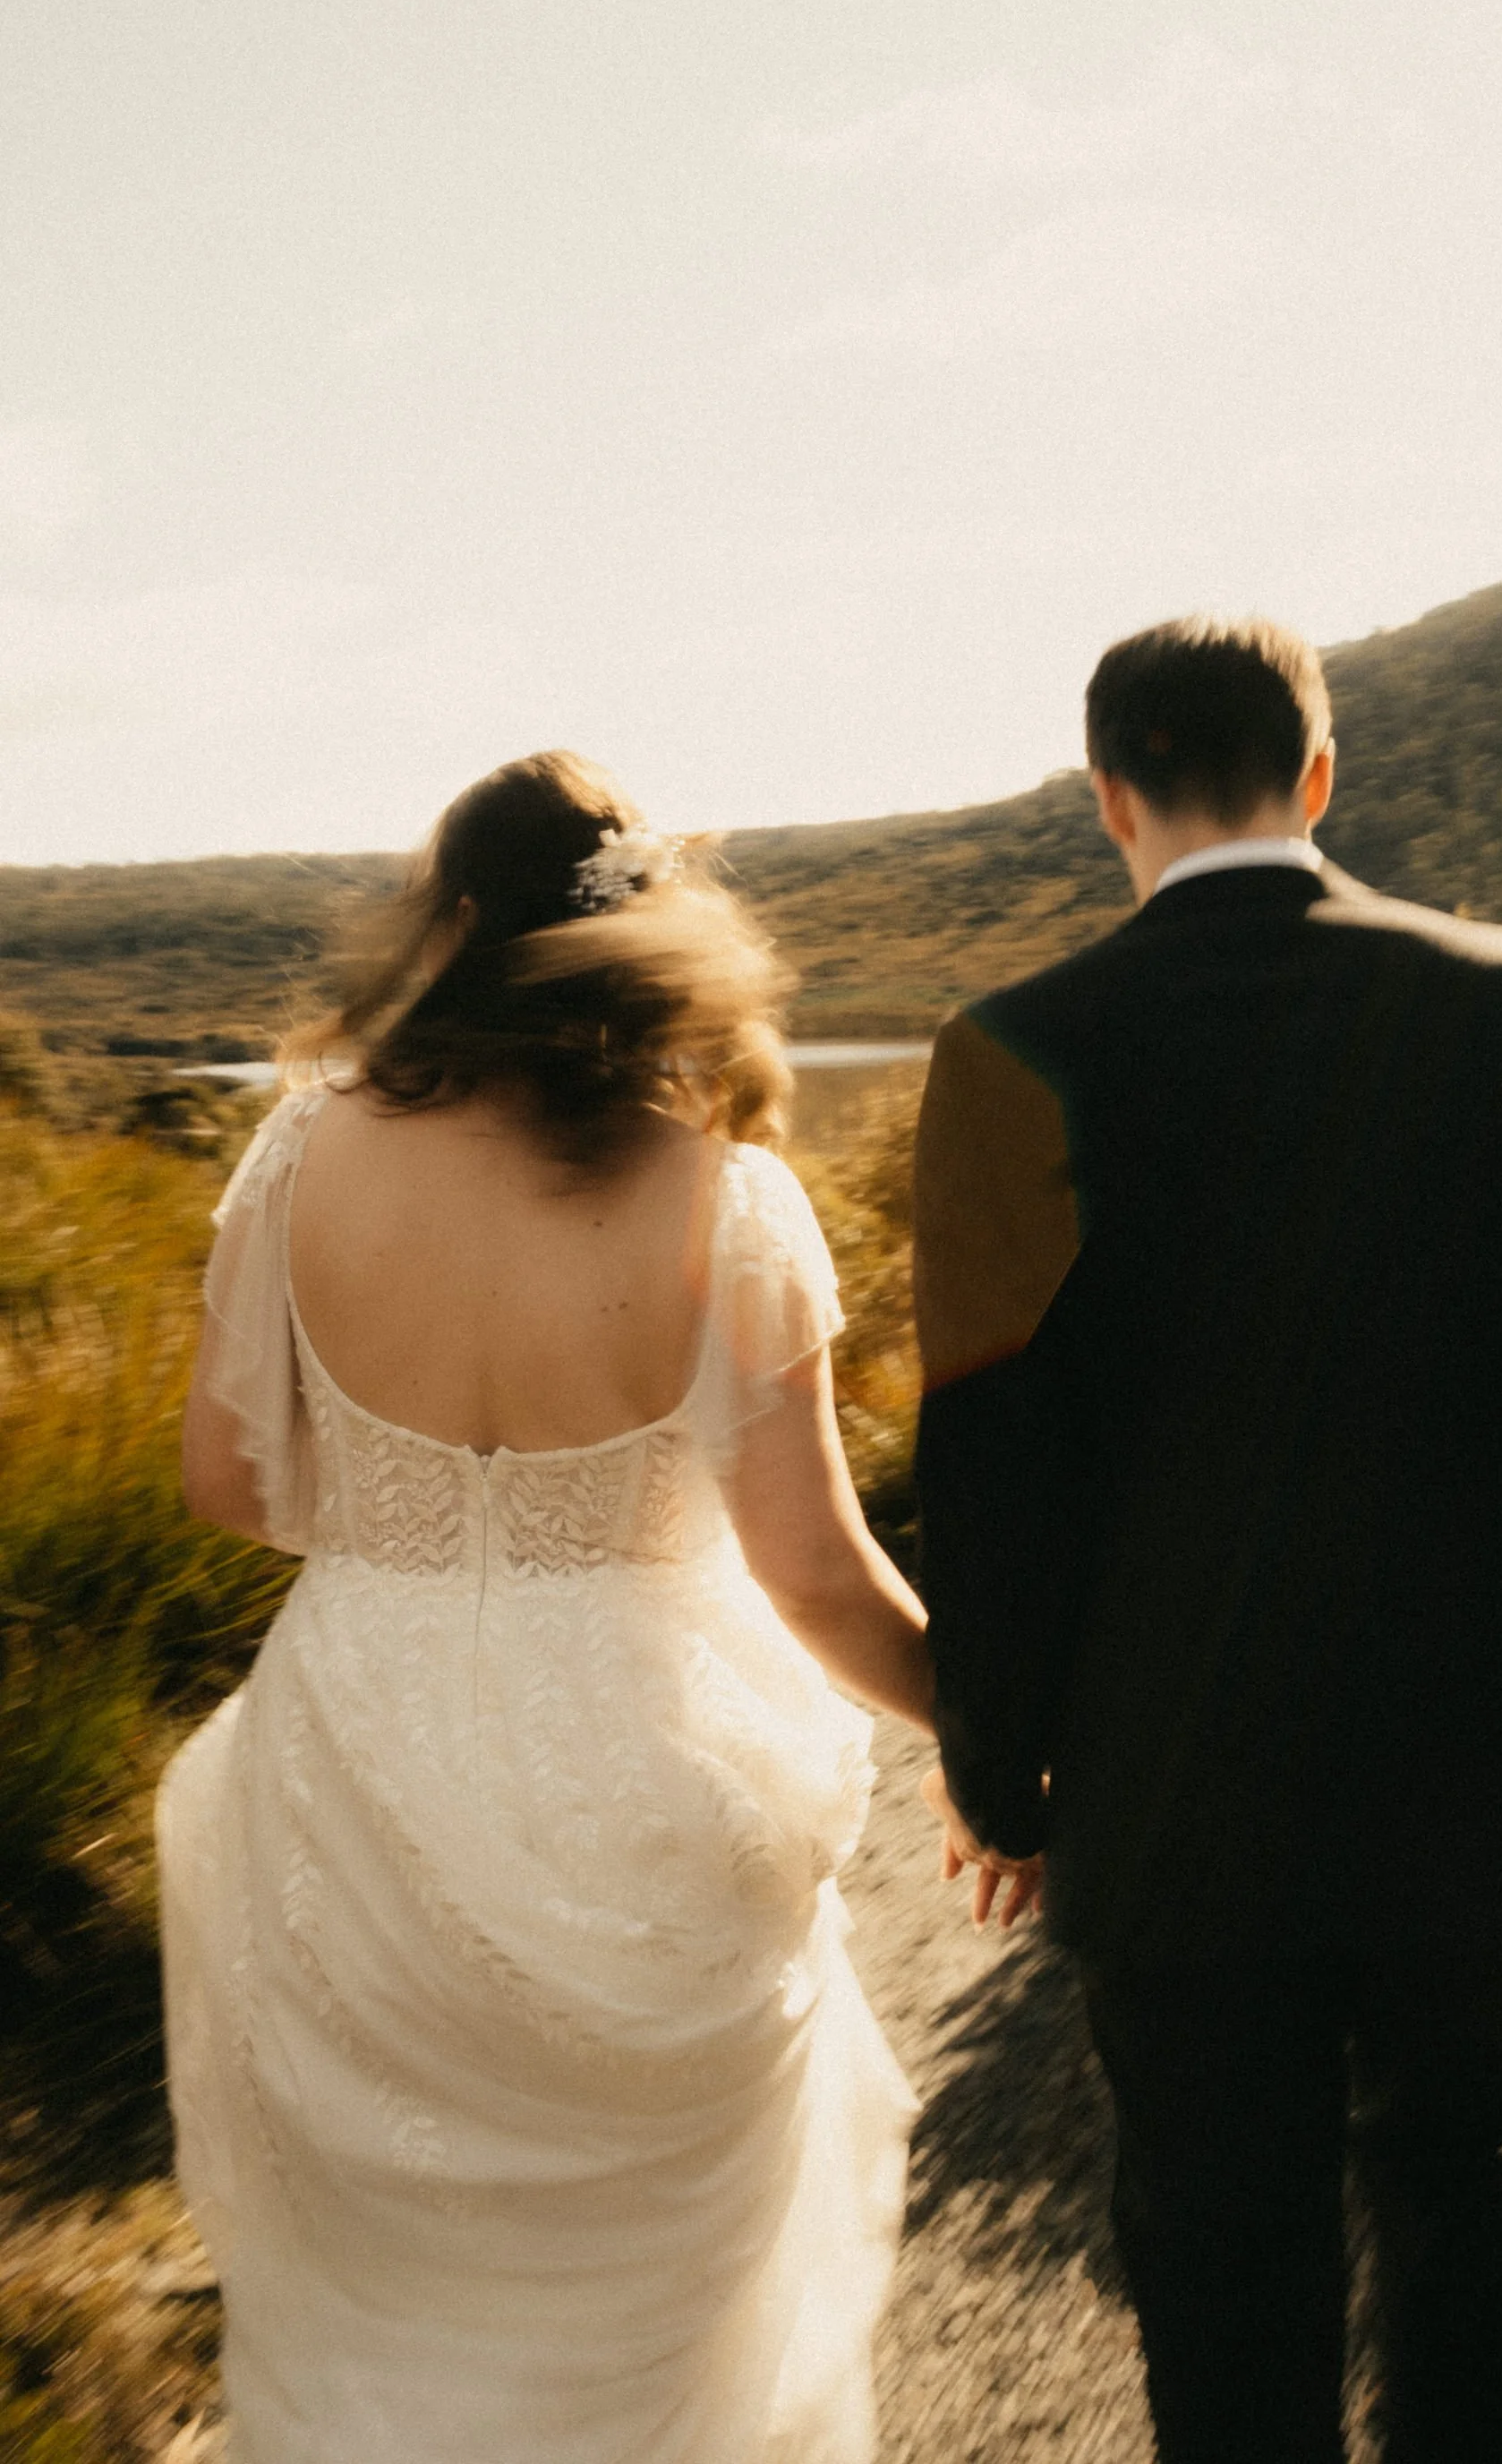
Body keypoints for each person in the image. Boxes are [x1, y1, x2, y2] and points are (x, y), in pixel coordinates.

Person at [909, 617, 1502, 2464]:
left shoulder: (1007, 1053)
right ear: (1318, 775)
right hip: (1470, 1771)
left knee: (1223, 2268)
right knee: (1462, 2215)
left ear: (1105, 802)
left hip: (1163, 1788)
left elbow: (990, 1478)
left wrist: (995, 1778)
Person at [159, 751, 930, 2464]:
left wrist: (408, 1534)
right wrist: (1000, 1727)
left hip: (357, 1776)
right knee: (667, 2335)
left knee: (395, 2296)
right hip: (651, 1794)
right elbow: (812, 1572)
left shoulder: (298, 1153)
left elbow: (224, 1481)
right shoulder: (729, 1198)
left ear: (445, 926)